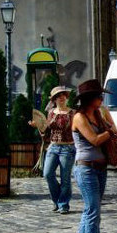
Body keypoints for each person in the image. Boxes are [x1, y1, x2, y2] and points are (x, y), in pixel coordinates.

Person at [71, 79, 116, 233]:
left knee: (90, 210)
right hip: (85, 168)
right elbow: (95, 140)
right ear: (90, 98)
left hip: (100, 167)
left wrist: (110, 128)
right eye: (99, 96)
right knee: (93, 211)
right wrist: (110, 132)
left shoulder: (98, 114)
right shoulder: (79, 118)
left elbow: (111, 128)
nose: (102, 99)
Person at [35, 86, 76, 214]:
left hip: (67, 148)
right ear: (54, 99)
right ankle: (57, 199)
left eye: (63, 95)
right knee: (47, 174)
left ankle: (63, 204)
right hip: (53, 146)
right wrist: (38, 126)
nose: (61, 97)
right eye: (58, 96)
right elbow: (46, 130)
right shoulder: (51, 112)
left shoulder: (73, 113)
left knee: (65, 178)